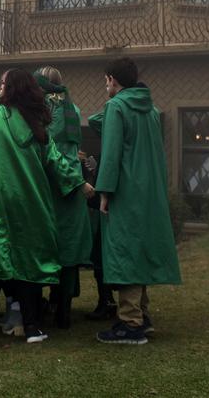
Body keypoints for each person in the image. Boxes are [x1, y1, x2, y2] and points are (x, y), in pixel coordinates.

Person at [0, 69, 90, 349]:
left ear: (9, 89)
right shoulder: (38, 123)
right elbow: (55, 161)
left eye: (2, 83)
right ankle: (32, 326)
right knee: (27, 262)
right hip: (31, 202)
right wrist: (80, 184)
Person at [94, 57, 182, 345]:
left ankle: (130, 322)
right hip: (149, 190)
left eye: (106, 80)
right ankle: (142, 315)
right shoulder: (151, 110)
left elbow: (111, 154)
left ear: (112, 80)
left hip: (126, 190)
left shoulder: (116, 107)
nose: (105, 85)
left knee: (125, 252)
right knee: (140, 249)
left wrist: (104, 191)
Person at [35, 66, 92, 330]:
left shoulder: (40, 112)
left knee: (42, 248)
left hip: (48, 187)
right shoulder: (73, 109)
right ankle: (63, 310)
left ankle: (39, 307)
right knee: (68, 253)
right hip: (73, 187)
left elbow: (48, 151)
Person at [82, 118, 117, 321]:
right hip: (109, 211)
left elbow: (95, 119)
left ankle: (107, 302)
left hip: (111, 211)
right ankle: (107, 301)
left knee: (100, 258)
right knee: (99, 258)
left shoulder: (114, 149)